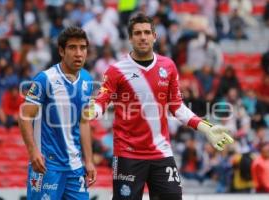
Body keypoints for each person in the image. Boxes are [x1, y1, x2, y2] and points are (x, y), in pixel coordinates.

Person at [86, 13, 234, 200]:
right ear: (130, 38)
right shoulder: (116, 70)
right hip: (127, 155)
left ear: (154, 36)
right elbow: (101, 101)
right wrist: (92, 111)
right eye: (137, 33)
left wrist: (206, 127)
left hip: (161, 153)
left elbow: (177, 107)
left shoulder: (168, 66)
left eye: (147, 32)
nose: (143, 37)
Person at [18, 26, 96, 200]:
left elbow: (84, 122)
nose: (78, 53)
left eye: (82, 48)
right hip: (47, 167)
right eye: (72, 47)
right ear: (61, 51)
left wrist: (89, 161)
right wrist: (33, 152)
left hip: (75, 168)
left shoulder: (87, 80)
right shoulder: (45, 79)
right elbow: (24, 117)